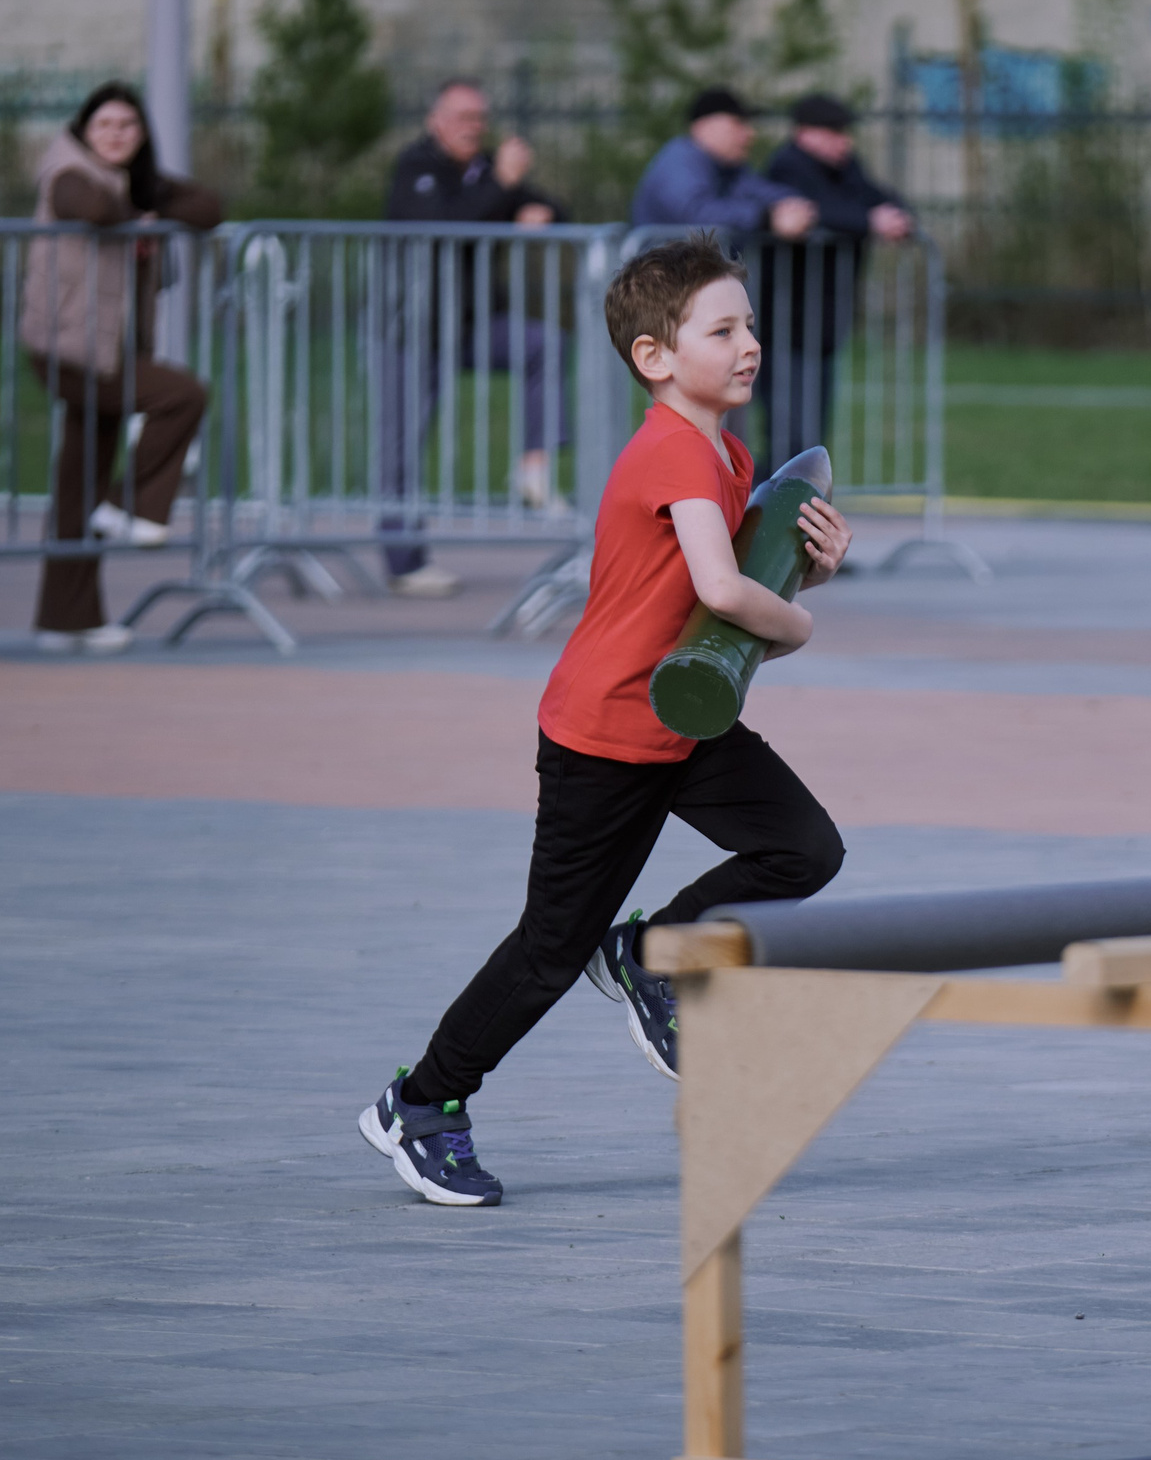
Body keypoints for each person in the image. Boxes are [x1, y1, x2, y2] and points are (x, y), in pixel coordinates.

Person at [357, 234, 852, 1206]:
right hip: (606, 738)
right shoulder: (671, 448)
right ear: (654, 358)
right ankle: (420, 1104)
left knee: (802, 849)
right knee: (546, 950)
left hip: (683, 721)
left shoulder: (723, 446)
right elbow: (724, 585)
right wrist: (799, 619)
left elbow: (724, 594)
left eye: (749, 323)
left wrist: (806, 566)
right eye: (722, 329)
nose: (748, 343)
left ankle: (648, 949)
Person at [17, 82, 223, 656]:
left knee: (78, 479)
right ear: (85, 129)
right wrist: (141, 210)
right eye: (105, 124)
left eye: (128, 126)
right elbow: (95, 209)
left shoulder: (135, 178)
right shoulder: (67, 170)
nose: (116, 135)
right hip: (69, 347)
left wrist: (152, 199)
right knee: (183, 395)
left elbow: (209, 209)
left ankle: (65, 620)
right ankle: (131, 504)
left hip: (112, 348)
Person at [380, 78, 571, 593]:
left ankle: (534, 466)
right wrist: (503, 187)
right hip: (413, 328)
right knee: (402, 446)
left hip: (471, 324)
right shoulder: (416, 167)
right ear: (434, 120)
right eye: (462, 117)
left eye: (479, 119)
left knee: (544, 344)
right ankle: (405, 563)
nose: (472, 127)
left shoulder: (487, 169)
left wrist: (542, 213)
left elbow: (553, 209)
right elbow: (445, 224)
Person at [756, 92, 912, 459]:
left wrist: (898, 217)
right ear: (806, 133)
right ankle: (768, 509)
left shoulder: (846, 167)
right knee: (789, 433)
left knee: (810, 435)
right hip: (785, 320)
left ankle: (799, 510)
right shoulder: (787, 167)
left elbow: (876, 196)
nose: (845, 141)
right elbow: (817, 212)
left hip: (824, 320)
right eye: (835, 132)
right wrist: (869, 222)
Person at [630, 87, 817, 243]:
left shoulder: (730, 168)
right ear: (704, 126)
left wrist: (795, 206)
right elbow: (695, 213)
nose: (750, 134)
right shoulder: (679, 160)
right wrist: (766, 218)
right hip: (662, 281)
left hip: (688, 277)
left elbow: (761, 190)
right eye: (738, 123)